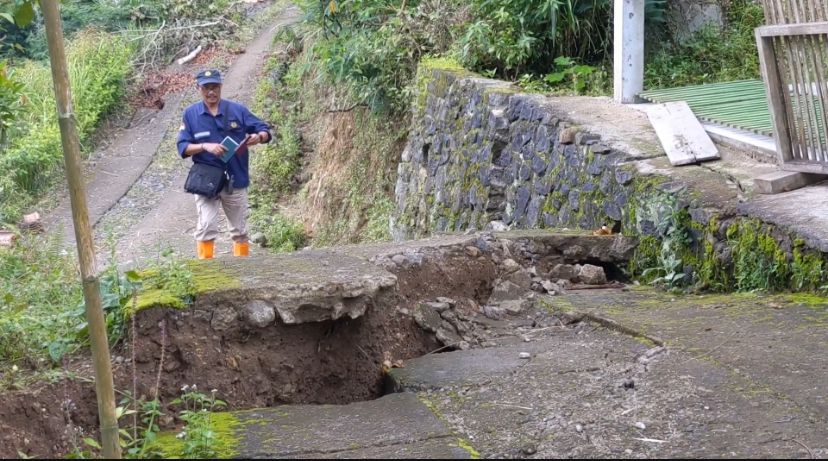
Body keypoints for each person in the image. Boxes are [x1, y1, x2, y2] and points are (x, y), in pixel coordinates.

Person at [177, 69, 272, 259]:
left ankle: (242, 269)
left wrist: (258, 137)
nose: (211, 92)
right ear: (199, 89)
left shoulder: (237, 110)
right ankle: (206, 272)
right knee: (206, 226)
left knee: (239, 230)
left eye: (214, 87)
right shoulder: (190, 114)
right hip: (206, 181)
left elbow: (264, 130)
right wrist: (205, 146)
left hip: (235, 178)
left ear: (220, 87)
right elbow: (183, 147)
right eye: (206, 88)